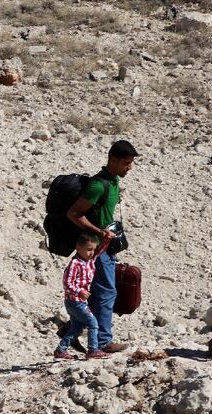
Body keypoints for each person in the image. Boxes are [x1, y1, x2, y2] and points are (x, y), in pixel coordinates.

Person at [65, 139, 139, 354]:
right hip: (97, 248)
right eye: (126, 163)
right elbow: (74, 214)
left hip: (105, 246)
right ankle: (104, 341)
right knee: (107, 292)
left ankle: (71, 331)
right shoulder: (99, 185)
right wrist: (99, 233)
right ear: (113, 160)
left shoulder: (113, 181)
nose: (130, 167)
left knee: (96, 293)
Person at [54, 232, 111, 360]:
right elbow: (67, 283)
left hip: (80, 302)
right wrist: (79, 291)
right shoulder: (75, 264)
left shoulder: (90, 261)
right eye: (88, 249)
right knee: (92, 322)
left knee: (76, 328)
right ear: (78, 248)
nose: (91, 252)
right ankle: (93, 349)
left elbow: (99, 251)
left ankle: (60, 350)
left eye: (93, 250)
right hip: (74, 301)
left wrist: (106, 240)